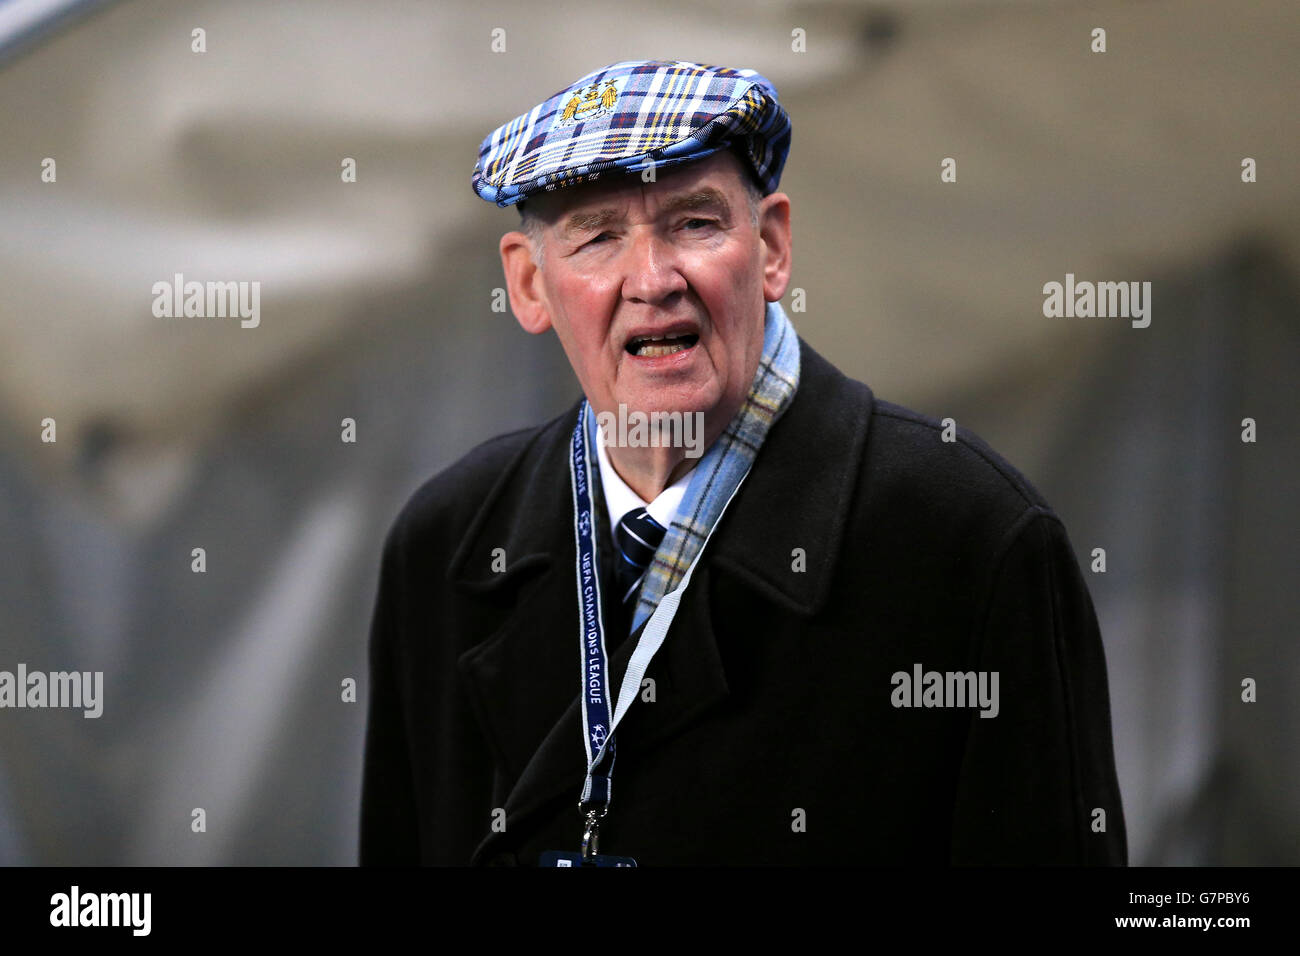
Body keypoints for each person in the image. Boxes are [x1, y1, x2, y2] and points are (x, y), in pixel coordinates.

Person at [359, 59, 1127, 866]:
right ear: (529, 284)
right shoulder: (445, 546)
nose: (653, 280)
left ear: (771, 248)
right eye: (598, 236)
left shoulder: (971, 539)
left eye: (695, 222)